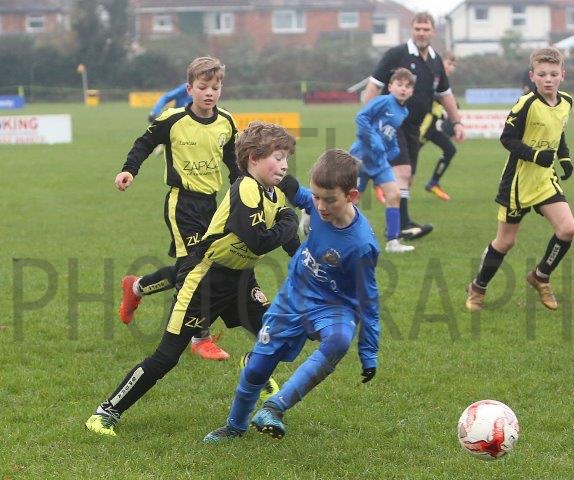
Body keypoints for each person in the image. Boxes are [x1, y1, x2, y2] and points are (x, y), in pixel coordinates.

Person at [86, 121, 300, 437]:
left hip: (242, 280)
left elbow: (290, 242)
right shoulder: (245, 187)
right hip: (206, 281)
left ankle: (251, 364)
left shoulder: (275, 191)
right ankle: (105, 413)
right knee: (166, 357)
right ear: (253, 158)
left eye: (286, 159)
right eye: (277, 158)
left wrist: (309, 262)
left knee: (275, 336)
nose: (284, 166)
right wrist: (290, 220)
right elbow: (258, 241)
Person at [202, 149, 380, 443]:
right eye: (317, 197)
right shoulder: (318, 204)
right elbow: (298, 194)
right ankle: (234, 427)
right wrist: (276, 171)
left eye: (329, 200)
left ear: (352, 196)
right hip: (294, 297)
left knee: (338, 339)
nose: (320, 206)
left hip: (334, 306)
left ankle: (274, 408)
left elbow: (369, 299)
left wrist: (369, 351)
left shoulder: (361, 246)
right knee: (257, 368)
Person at [115, 57, 240, 361]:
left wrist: (242, 192)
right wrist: (130, 169)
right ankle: (200, 337)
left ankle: (137, 287)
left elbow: (233, 161)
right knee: (195, 269)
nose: (209, 93)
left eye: (215, 87)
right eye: (203, 87)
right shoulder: (172, 120)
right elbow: (143, 144)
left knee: (196, 266)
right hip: (182, 203)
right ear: (189, 89)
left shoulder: (226, 121)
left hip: (212, 205)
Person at [465, 47, 574, 312]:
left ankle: (540, 276)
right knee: (506, 241)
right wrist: (536, 155)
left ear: (562, 75)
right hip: (517, 182)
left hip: (545, 180)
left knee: (567, 229)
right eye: (542, 74)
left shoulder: (567, 102)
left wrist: (564, 158)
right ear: (532, 76)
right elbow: (507, 138)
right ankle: (478, 288)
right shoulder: (526, 103)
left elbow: (558, 132)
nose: (548, 79)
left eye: (553, 74)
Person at [362, 11, 464, 241]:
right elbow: (374, 85)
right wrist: (368, 119)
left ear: (433, 32)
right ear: (412, 30)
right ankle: (401, 226)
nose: (421, 33)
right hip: (391, 123)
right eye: (418, 29)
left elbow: (445, 94)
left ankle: (397, 223)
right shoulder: (397, 54)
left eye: (426, 29)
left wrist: (457, 122)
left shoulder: (436, 61)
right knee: (402, 172)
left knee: (407, 177)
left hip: (413, 127)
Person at [350, 67, 416, 253]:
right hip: (361, 157)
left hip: (379, 161)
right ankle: (313, 214)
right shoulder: (384, 101)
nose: (403, 89)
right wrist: (373, 138)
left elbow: (389, 130)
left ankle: (392, 242)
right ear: (390, 86)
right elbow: (361, 118)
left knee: (394, 195)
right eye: (399, 84)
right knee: (352, 200)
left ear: (412, 91)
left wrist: (393, 146)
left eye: (407, 86)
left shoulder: (404, 111)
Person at [419, 51, 458, 201]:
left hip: (432, 126)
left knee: (450, 149)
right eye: (449, 63)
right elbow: (426, 94)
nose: (452, 67)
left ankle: (433, 182)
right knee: (405, 158)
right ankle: (372, 177)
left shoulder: (443, 82)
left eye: (454, 65)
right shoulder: (432, 77)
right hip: (423, 125)